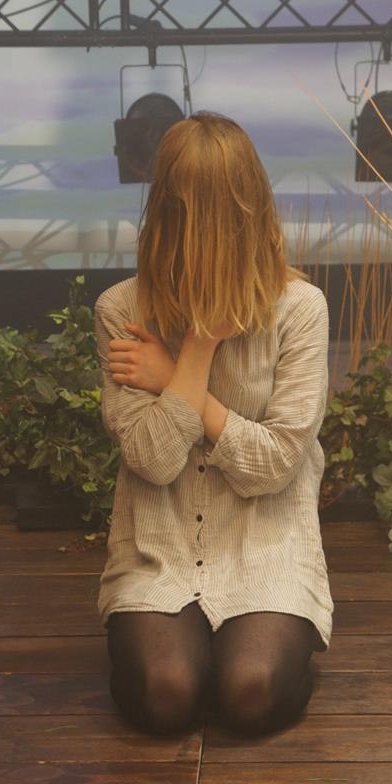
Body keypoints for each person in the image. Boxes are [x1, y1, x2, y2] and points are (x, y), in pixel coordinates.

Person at [93, 111, 334, 738]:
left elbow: (274, 466)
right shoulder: (121, 309)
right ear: (165, 216)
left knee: (250, 693)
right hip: (161, 549)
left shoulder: (300, 309)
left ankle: (272, 645)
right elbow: (153, 462)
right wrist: (200, 345)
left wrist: (173, 378)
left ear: (247, 211)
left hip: (265, 543)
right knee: (165, 696)